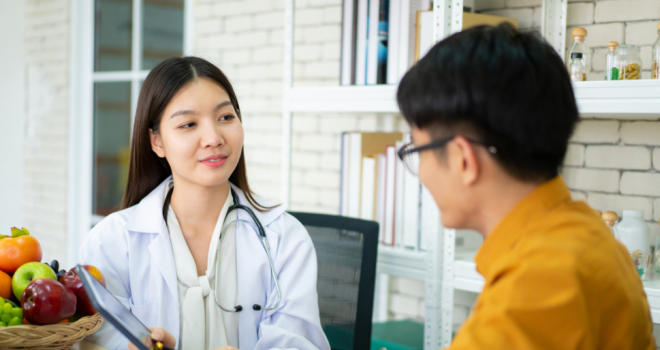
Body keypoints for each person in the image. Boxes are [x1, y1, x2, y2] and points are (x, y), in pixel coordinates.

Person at [396, 24, 656, 349]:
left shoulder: (532, 289)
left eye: (418, 152)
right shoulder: (592, 237)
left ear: (463, 159)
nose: (420, 173)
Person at [80, 56, 331, 350]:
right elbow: (94, 341)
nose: (213, 138)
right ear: (156, 141)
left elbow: (301, 343)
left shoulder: (285, 238)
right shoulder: (110, 242)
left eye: (225, 117)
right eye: (188, 124)